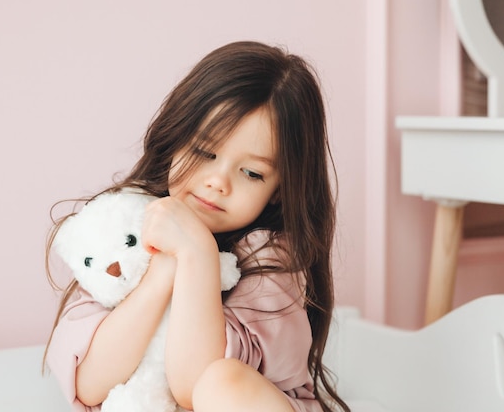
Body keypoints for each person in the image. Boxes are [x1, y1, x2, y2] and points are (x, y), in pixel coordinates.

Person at [44, 40, 350, 412]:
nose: (218, 182)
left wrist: (196, 254)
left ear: (278, 192)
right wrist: (162, 273)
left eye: (252, 173)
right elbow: (89, 386)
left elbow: (196, 388)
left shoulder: (271, 258)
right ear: (175, 139)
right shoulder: (129, 223)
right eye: (204, 153)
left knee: (224, 382)